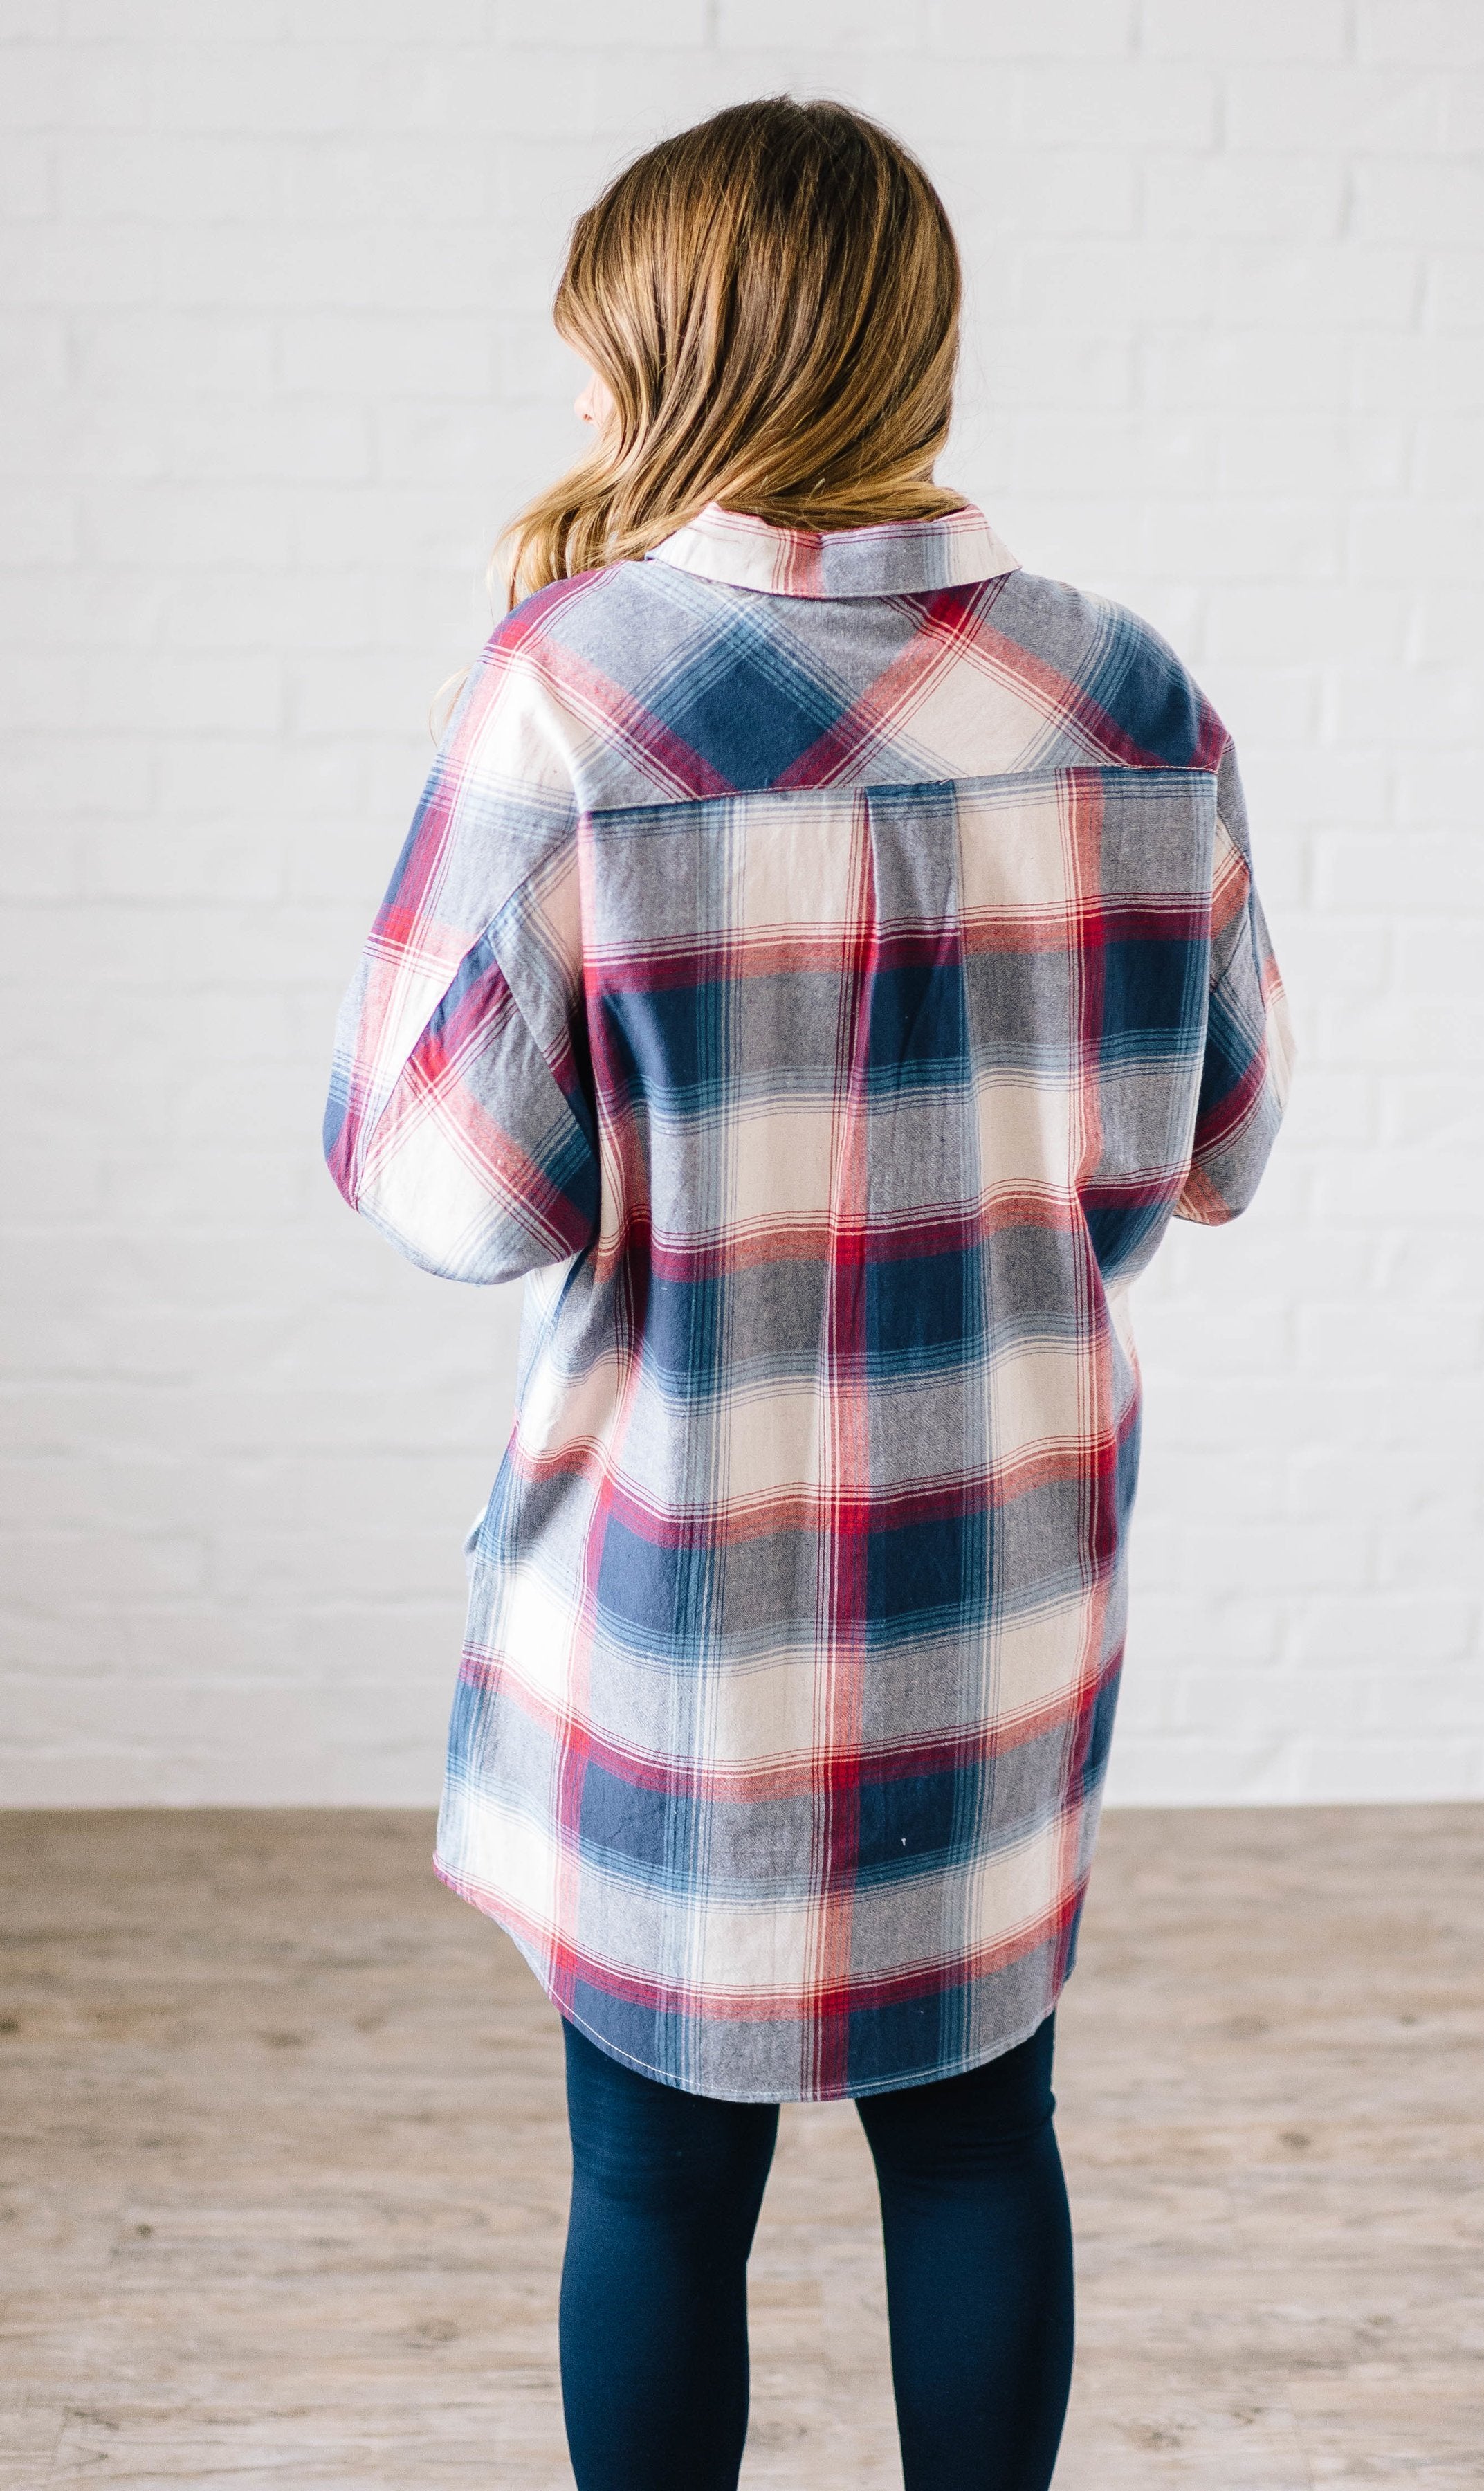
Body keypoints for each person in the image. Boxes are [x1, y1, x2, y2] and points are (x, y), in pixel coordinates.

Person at [324, 94, 1291, 2491]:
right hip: (998, 1580)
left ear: (680, 358)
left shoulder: (569, 698)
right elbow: (1226, 1132)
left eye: (594, 352)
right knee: (978, 2145)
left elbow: (452, 1199)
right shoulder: (1130, 696)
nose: (570, 400)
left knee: (658, 2182)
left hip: (680, 1607)